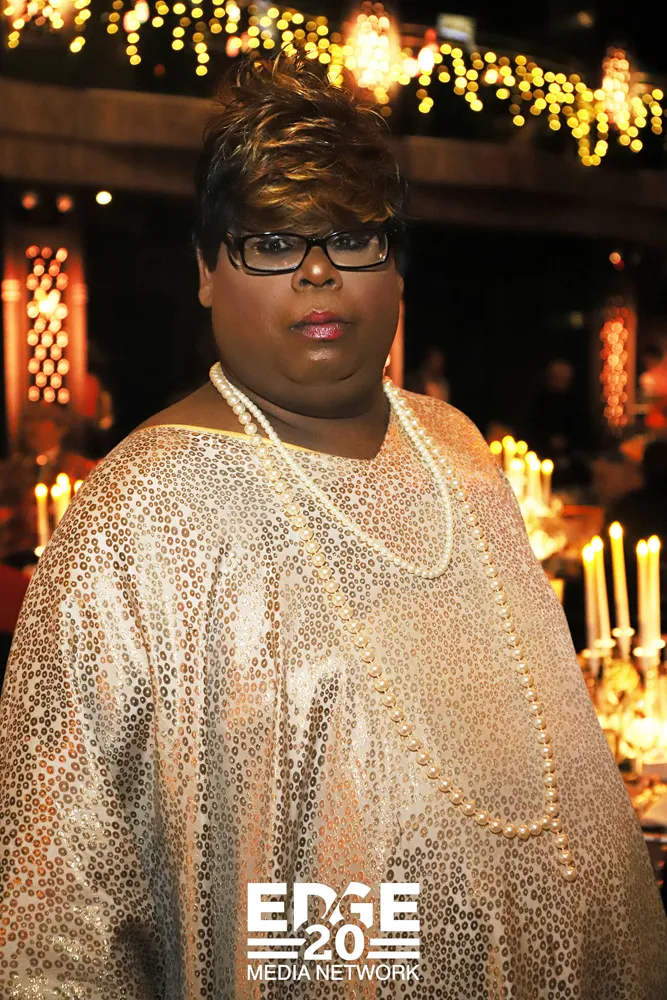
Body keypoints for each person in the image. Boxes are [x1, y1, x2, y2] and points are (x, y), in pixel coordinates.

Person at [1, 54, 665, 1000]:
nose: (317, 272)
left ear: (392, 265)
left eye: (351, 238)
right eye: (272, 242)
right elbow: (58, 921)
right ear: (206, 270)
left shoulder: (456, 450)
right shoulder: (139, 512)